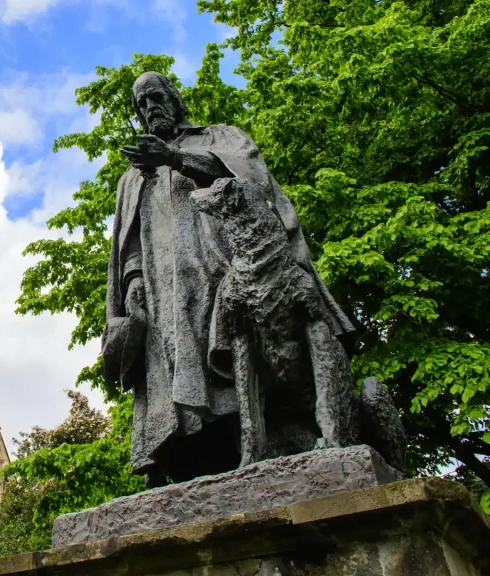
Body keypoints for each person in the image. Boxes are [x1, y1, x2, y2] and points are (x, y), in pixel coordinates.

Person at [101, 71, 356, 487]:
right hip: (164, 299)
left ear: (175, 98)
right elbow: (128, 244)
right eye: (141, 104)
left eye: (155, 97)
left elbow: (251, 185)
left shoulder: (219, 138)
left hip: (225, 276)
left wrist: (174, 158)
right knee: (174, 373)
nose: (150, 108)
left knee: (239, 359)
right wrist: (133, 281)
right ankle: (190, 458)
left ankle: (261, 441)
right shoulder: (132, 178)